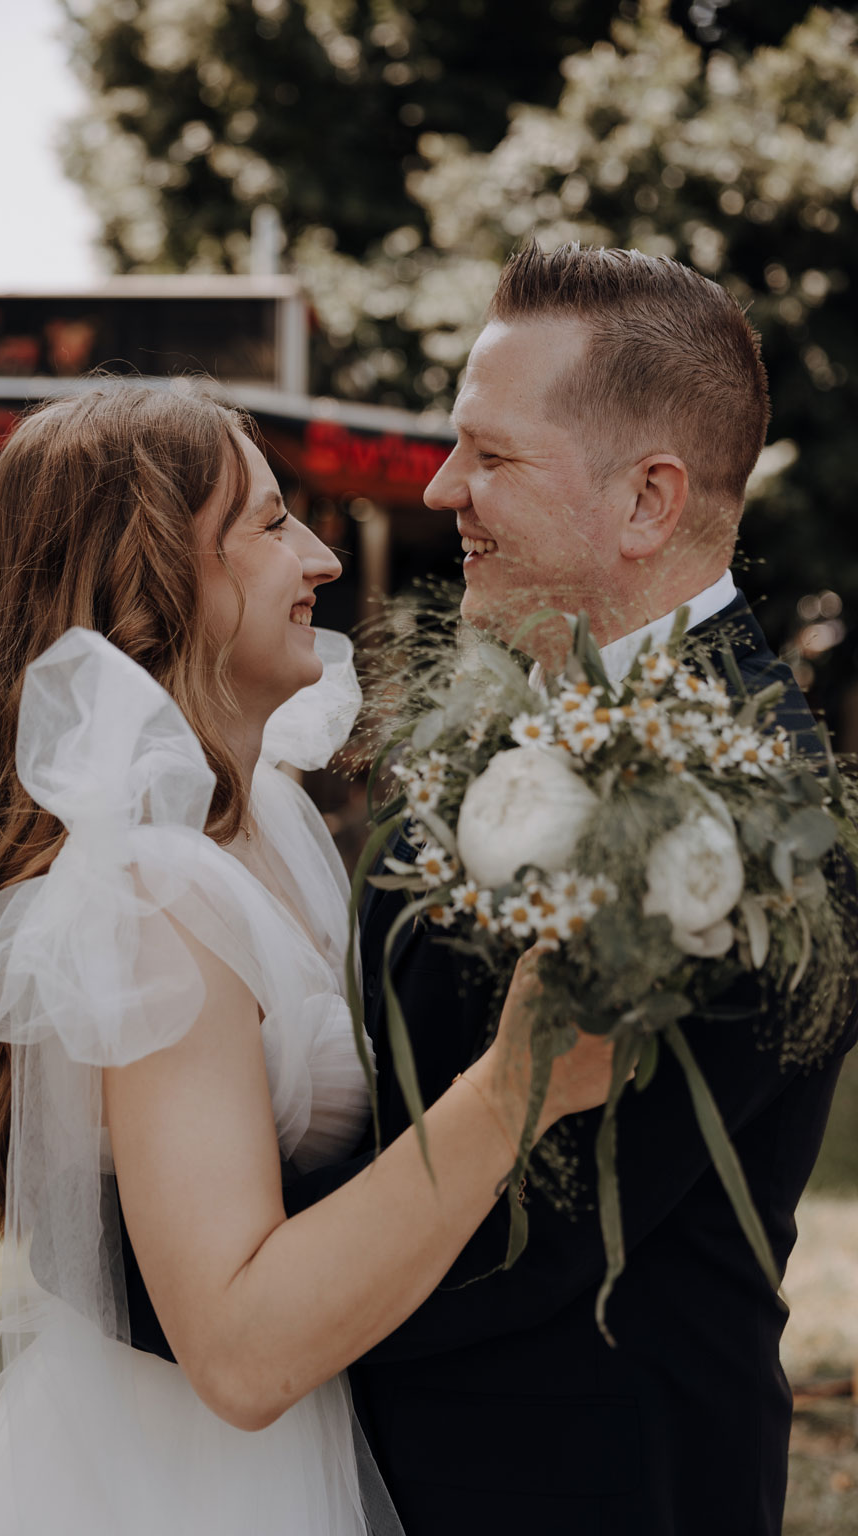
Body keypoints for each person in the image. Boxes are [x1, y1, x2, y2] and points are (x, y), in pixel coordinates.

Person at [0, 381, 614, 1536]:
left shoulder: (266, 823)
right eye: (266, 523)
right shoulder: (158, 895)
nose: (320, 558)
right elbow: (240, 1356)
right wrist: (514, 1085)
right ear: (153, 583)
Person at [279, 244, 858, 1535]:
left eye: (491, 456)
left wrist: (213, 1290)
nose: (443, 489)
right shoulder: (514, 711)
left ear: (648, 501)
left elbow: (531, 1246)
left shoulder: (755, 824)